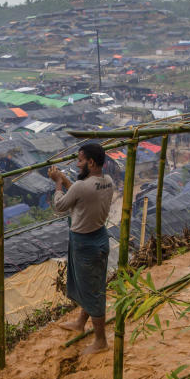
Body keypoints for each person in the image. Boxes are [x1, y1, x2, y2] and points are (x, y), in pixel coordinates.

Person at [48, 142, 114, 355]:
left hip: (85, 244)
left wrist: (58, 184)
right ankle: (79, 323)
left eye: (80, 160)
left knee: (93, 291)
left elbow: (60, 205)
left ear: (91, 162)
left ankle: (100, 341)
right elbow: (78, 193)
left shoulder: (81, 187)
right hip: (100, 238)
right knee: (92, 285)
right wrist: (65, 180)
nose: (77, 165)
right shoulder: (107, 181)